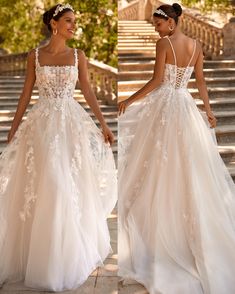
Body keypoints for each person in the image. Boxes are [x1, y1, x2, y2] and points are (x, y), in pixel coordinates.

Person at [118, 3, 235, 294]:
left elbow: (158, 81)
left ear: (171, 22)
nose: (156, 29)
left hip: (167, 107)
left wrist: (129, 100)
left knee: (161, 167)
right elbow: (201, 82)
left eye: (158, 24)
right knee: (186, 167)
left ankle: (164, 237)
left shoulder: (165, 44)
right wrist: (207, 110)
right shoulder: (196, 46)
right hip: (186, 107)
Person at [0, 3, 117, 292]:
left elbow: (88, 90)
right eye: (68, 21)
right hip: (40, 126)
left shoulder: (79, 55)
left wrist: (103, 124)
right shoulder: (34, 56)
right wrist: (15, 127)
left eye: (73, 21)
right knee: (46, 183)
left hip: (70, 127)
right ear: (54, 24)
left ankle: (66, 253)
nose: (73, 26)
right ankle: (43, 254)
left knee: (68, 183)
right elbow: (27, 93)